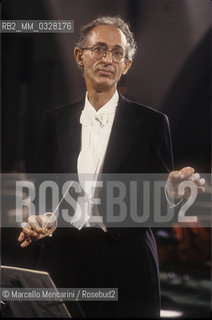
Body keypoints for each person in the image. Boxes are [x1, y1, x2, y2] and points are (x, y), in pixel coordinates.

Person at [18, 16, 205, 318]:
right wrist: (41, 221)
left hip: (126, 264)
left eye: (118, 53)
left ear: (126, 64)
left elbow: (160, 211)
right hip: (64, 259)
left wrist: (169, 193)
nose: (108, 59)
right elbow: (47, 195)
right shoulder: (53, 121)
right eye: (100, 49)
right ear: (79, 56)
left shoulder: (152, 124)